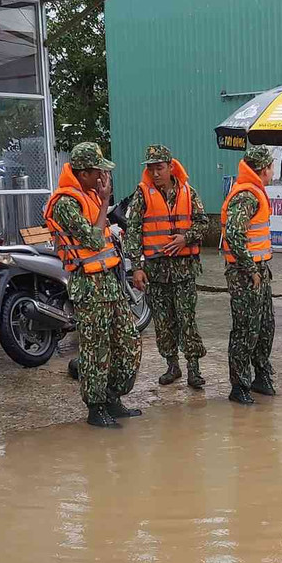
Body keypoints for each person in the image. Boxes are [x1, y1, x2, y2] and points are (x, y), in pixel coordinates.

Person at [44, 142, 142, 429]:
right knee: (96, 349)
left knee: (127, 343)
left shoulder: (88, 195)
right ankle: (96, 407)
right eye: (99, 171)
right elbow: (92, 239)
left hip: (109, 282)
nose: (103, 176)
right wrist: (104, 201)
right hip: (88, 285)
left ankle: (113, 396)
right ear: (84, 173)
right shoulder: (65, 203)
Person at [123, 144, 209, 390]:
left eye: (159, 168)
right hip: (156, 273)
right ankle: (172, 366)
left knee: (187, 320)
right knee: (163, 322)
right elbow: (133, 232)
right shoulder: (142, 195)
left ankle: (194, 369)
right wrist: (137, 267)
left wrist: (186, 237)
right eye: (151, 169)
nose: (155, 173)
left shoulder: (188, 192)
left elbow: (203, 224)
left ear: (171, 167)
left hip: (184, 271)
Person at [221, 145, 278, 405]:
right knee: (246, 329)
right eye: (271, 166)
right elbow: (234, 234)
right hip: (245, 273)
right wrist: (251, 268)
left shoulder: (255, 191)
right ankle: (239, 385)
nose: (272, 171)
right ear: (264, 169)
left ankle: (261, 375)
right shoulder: (246, 195)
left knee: (265, 326)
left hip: (259, 270)